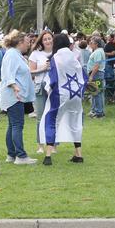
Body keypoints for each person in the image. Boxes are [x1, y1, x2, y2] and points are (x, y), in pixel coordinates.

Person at [38, 34, 86, 165]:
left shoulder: (55, 58)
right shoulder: (75, 58)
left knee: (51, 120)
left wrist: (49, 89)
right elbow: (84, 76)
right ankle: (78, 154)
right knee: (75, 122)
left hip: (60, 93)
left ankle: (48, 155)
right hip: (75, 94)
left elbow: (53, 79)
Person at [0, 31, 36, 165]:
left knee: (12, 125)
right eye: (27, 42)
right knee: (17, 125)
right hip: (15, 96)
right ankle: (21, 156)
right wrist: (15, 88)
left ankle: (11, 154)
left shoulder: (15, 54)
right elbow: (9, 75)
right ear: (20, 43)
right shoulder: (12, 55)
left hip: (15, 95)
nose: (29, 45)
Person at [28, 30, 53, 153]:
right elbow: (30, 71)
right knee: (40, 116)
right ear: (41, 42)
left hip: (53, 87)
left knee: (53, 116)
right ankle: (40, 145)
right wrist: (43, 68)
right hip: (39, 87)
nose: (48, 41)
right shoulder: (35, 54)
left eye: (49, 38)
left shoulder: (57, 53)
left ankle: (53, 145)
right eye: (45, 39)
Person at [87, 36, 106, 118]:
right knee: (97, 93)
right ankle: (96, 110)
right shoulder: (99, 51)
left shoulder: (98, 52)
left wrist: (91, 75)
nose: (90, 44)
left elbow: (97, 65)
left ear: (96, 44)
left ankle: (99, 112)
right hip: (97, 74)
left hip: (96, 74)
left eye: (92, 42)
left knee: (97, 93)